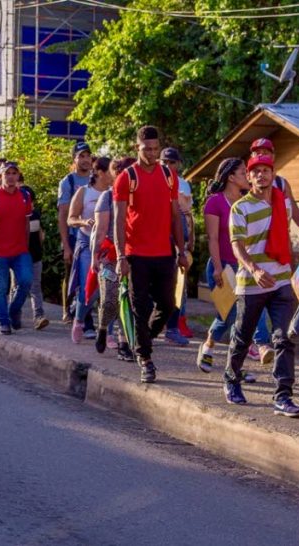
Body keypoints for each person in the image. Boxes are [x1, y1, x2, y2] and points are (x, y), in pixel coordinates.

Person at [222, 154, 299, 417]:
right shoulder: (241, 208)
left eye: (265, 170)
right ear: (248, 176)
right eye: (255, 171)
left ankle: (283, 396)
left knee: (284, 338)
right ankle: (231, 379)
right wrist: (255, 270)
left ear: (273, 173)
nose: (260, 175)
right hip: (251, 283)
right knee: (243, 338)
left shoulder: (284, 204)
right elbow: (237, 245)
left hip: (281, 281)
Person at [113, 125, 189, 383]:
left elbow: (175, 216)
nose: (152, 154)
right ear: (137, 148)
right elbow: (119, 219)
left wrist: (182, 250)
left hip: (164, 252)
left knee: (168, 305)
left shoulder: (168, 175)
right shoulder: (127, 177)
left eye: (156, 149)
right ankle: (145, 358)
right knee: (139, 307)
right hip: (136, 254)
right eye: (147, 149)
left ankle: (142, 339)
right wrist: (120, 256)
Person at [195, 157, 264, 383]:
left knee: (240, 319)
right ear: (231, 177)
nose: (248, 176)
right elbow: (213, 239)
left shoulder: (246, 202)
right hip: (222, 265)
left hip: (244, 267)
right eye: (244, 172)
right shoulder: (215, 202)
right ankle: (213, 347)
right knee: (230, 315)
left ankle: (232, 364)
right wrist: (217, 267)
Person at [90, 156, 136, 361]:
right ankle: (101, 327)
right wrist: (94, 257)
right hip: (109, 255)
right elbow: (99, 231)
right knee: (110, 299)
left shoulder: (140, 195)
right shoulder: (107, 197)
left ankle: (124, 343)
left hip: (135, 254)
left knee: (129, 299)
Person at [0, 161, 34, 335]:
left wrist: (26, 247)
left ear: (18, 175)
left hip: (20, 250)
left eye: (14, 173)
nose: (11, 177)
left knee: (26, 281)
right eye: (7, 173)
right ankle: (4, 322)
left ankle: (14, 310)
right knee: (1, 287)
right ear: (0, 177)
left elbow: (27, 224)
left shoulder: (25, 196)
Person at [67, 156, 112, 343]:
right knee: (90, 288)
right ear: (100, 172)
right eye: (111, 171)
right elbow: (70, 218)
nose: (115, 174)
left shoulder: (113, 193)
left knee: (110, 290)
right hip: (87, 242)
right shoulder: (84, 192)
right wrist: (84, 221)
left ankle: (108, 333)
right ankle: (79, 320)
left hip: (109, 245)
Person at [58, 142, 94, 327]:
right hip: (74, 234)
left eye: (88, 155)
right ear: (74, 159)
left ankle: (83, 314)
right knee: (71, 274)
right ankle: (68, 310)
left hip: (94, 235)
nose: (86, 159)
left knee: (87, 276)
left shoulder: (96, 179)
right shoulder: (68, 182)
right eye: (81, 156)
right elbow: (63, 214)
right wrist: (66, 244)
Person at [160, 147, 193, 345]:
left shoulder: (184, 184)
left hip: (179, 238)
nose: (169, 165)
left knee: (178, 287)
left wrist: (188, 243)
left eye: (172, 162)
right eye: (165, 162)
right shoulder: (154, 179)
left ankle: (173, 327)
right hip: (158, 238)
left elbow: (187, 215)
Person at [18, 169, 49, 330]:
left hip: (35, 255)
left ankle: (39, 316)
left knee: (36, 286)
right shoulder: (15, 215)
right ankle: (15, 315)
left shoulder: (35, 215)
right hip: (18, 256)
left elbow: (39, 236)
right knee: (18, 286)